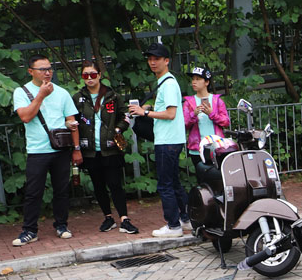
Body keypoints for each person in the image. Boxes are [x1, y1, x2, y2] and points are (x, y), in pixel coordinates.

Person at [11, 55, 80, 246]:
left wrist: (76, 148)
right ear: (30, 71)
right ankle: (29, 230)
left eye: (50, 68)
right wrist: (41, 95)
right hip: (37, 150)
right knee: (34, 192)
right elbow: (25, 117)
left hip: (61, 149)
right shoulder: (21, 91)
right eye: (42, 69)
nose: (47, 72)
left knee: (62, 190)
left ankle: (61, 225)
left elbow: (72, 120)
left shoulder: (62, 93)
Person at [128, 42, 190, 238]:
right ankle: (186, 219)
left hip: (167, 141)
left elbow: (171, 114)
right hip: (171, 139)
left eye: (156, 59)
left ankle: (173, 226)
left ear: (167, 61)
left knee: (165, 185)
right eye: (150, 59)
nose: (152, 62)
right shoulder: (166, 82)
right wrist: (150, 107)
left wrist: (144, 111)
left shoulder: (169, 83)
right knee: (174, 182)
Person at [72, 61, 138, 234]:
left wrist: (118, 130)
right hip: (90, 150)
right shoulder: (78, 98)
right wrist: (76, 147)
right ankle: (108, 217)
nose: (89, 78)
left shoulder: (112, 95)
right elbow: (73, 121)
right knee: (98, 185)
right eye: (85, 75)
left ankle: (124, 218)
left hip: (110, 148)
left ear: (100, 75)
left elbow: (125, 116)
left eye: (93, 74)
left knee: (115, 183)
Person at [183, 65, 230, 178]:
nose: (194, 82)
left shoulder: (217, 101)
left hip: (217, 147)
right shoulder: (188, 102)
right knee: (201, 178)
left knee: (219, 177)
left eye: (198, 79)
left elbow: (226, 122)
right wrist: (193, 114)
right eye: (193, 79)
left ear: (207, 82)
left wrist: (212, 114)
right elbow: (184, 124)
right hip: (196, 149)